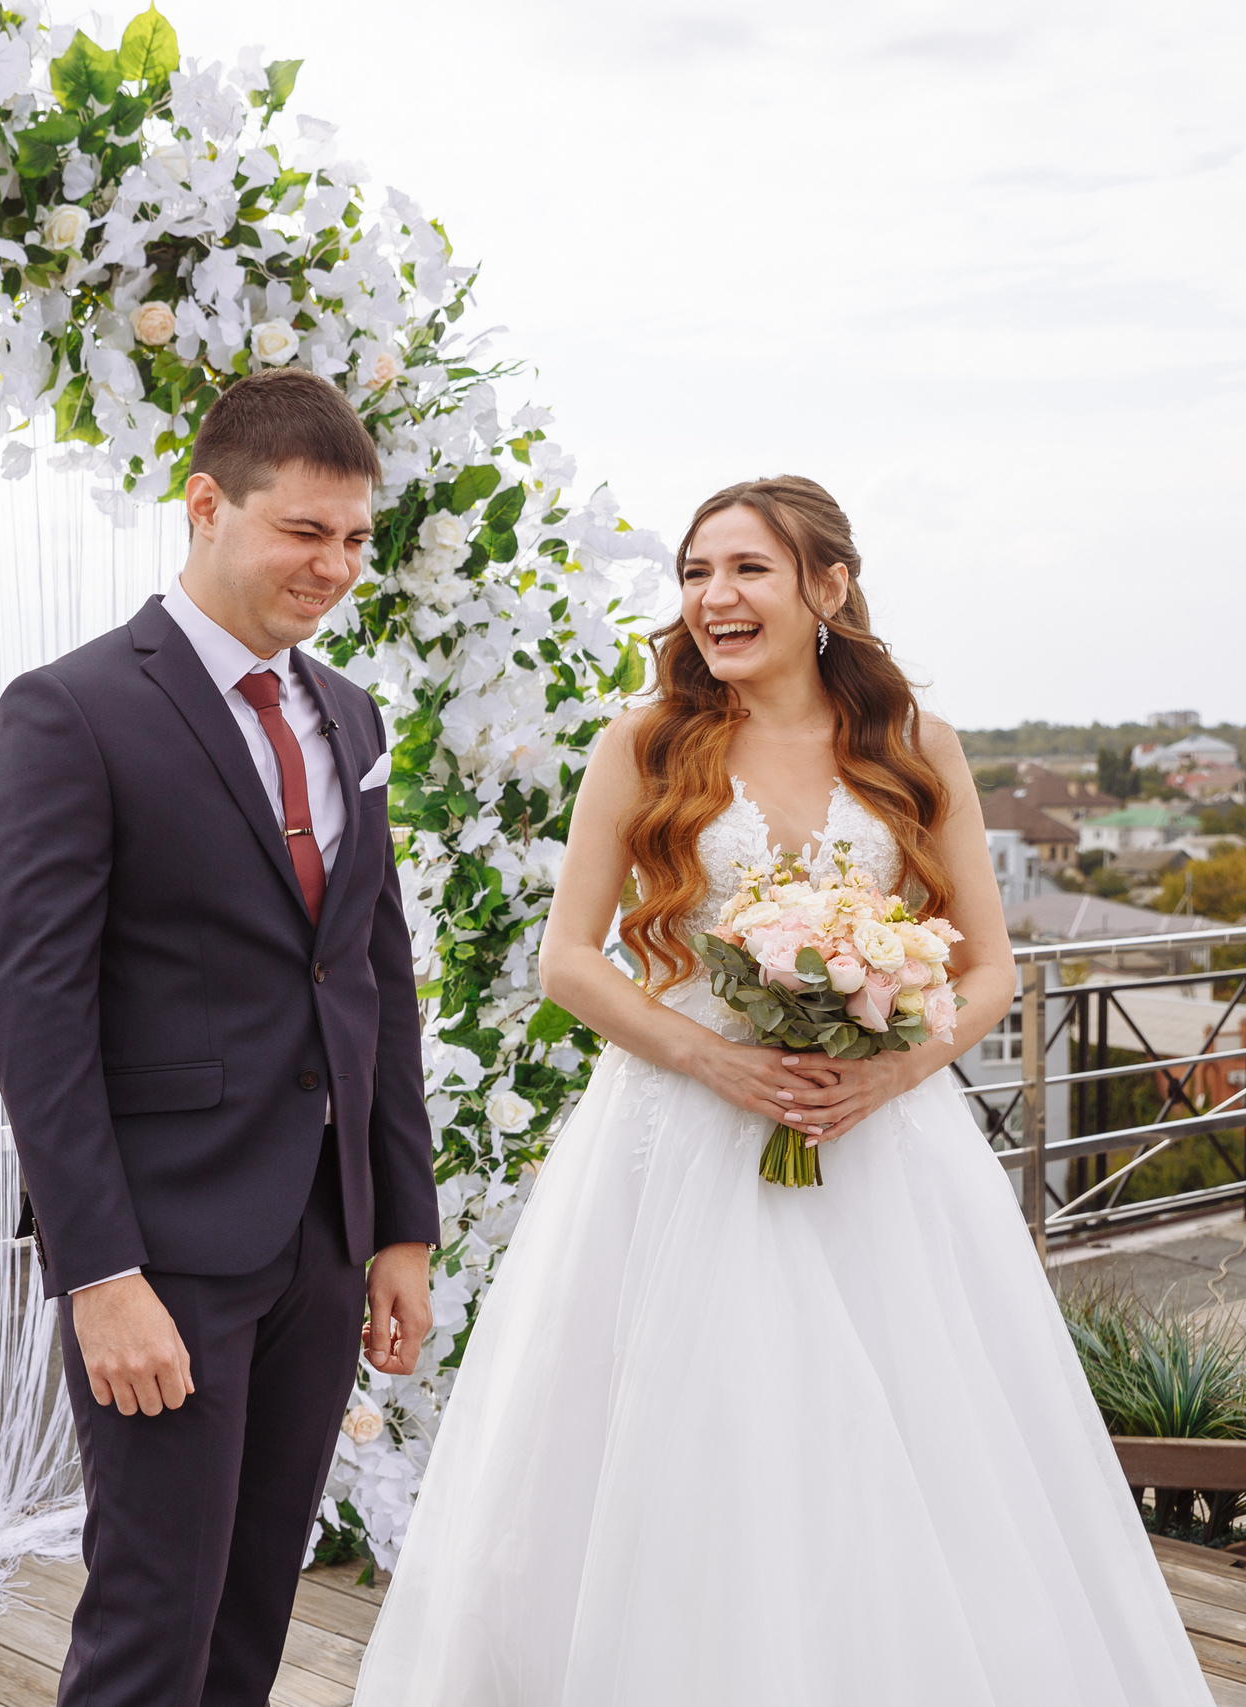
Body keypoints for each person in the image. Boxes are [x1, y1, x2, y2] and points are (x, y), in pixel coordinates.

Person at [355, 476, 1211, 1705]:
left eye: (746, 569)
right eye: (697, 573)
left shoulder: (916, 746)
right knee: (688, 1444)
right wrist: (717, 1060)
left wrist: (891, 1075)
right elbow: (568, 961)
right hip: (679, 1138)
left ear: (828, 588)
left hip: (882, 1149)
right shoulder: (644, 745)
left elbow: (987, 971)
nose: (714, 597)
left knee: (906, 1445)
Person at [0, 365, 439, 1707]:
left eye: (356, 538)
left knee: (252, 1613)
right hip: (165, 1246)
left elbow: (371, 977)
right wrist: (100, 1270)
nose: (336, 565)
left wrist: (396, 1221)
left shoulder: (345, 713)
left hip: (321, 1233)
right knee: (152, 1617)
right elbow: (39, 1015)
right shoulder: (71, 711)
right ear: (204, 506)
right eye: (305, 530)